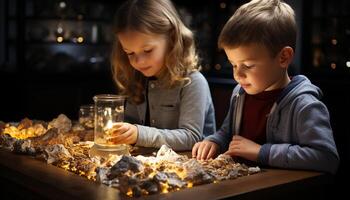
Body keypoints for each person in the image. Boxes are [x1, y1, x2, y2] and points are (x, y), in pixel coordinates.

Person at [192, 0, 339, 174]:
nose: (237, 75)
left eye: (247, 65)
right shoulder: (240, 94)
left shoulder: (304, 105)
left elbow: (327, 158)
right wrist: (214, 142)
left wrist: (261, 152)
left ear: (283, 57)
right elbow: (228, 133)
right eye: (233, 64)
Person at [109, 0, 216, 151]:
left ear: (171, 39)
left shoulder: (193, 82)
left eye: (147, 50)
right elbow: (131, 123)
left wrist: (139, 134)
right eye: (130, 53)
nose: (139, 61)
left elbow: (192, 137)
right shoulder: (138, 79)